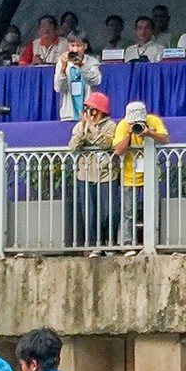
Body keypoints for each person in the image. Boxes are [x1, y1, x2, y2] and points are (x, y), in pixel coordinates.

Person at [112, 100, 169, 249]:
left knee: (152, 210)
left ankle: (153, 242)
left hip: (151, 174)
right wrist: (129, 135)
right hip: (129, 175)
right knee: (127, 212)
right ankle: (127, 244)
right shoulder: (123, 125)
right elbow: (118, 151)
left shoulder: (153, 121)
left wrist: (149, 132)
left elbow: (165, 139)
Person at [65, 90, 117, 251]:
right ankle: (93, 245)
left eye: (93, 110)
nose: (89, 113)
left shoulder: (111, 126)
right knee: (89, 212)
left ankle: (109, 243)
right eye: (87, 109)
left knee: (109, 212)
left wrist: (93, 129)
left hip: (106, 174)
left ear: (101, 111)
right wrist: (83, 128)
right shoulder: (79, 126)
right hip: (86, 175)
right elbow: (73, 146)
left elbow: (107, 144)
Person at [52, 33, 102, 121]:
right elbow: (59, 88)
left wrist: (81, 66)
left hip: (89, 115)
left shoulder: (92, 62)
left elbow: (95, 81)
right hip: (69, 115)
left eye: (78, 46)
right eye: (72, 45)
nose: (75, 50)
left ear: (85, 46)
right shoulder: (62, 62)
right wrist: (63, 69)